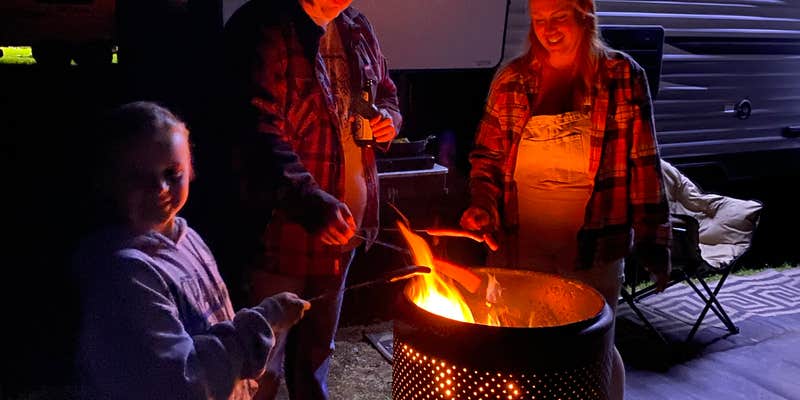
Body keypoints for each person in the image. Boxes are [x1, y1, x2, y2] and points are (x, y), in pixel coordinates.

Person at [459, 0, 672, 399]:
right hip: (520, 248)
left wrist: (654, 242)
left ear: (584, 16)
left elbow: (644, 161)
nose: (548, 30)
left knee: (591, 351)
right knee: (519, 348)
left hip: (593, 252)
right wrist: (483, 206)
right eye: (540, 21)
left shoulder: (622, 77)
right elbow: (486, 160)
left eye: (559, 18)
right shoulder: (513, 80)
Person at [222, 1, 401, 398]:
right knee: (260, 362)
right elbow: (258, 133)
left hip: (342, 233)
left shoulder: (355, 25)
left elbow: (386, 91)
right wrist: (311, 201)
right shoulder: (265, 27)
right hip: (281, 236)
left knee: (317, 354)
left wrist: (390, 118)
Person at [73, 101, 311, 400]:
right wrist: (262, 324)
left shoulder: (188, 239)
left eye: (172, 173)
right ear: (108, 181)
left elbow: (215, 324)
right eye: (138, 177)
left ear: (191, 169)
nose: (160, 187)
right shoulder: (123, 276)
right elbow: (182, 383)